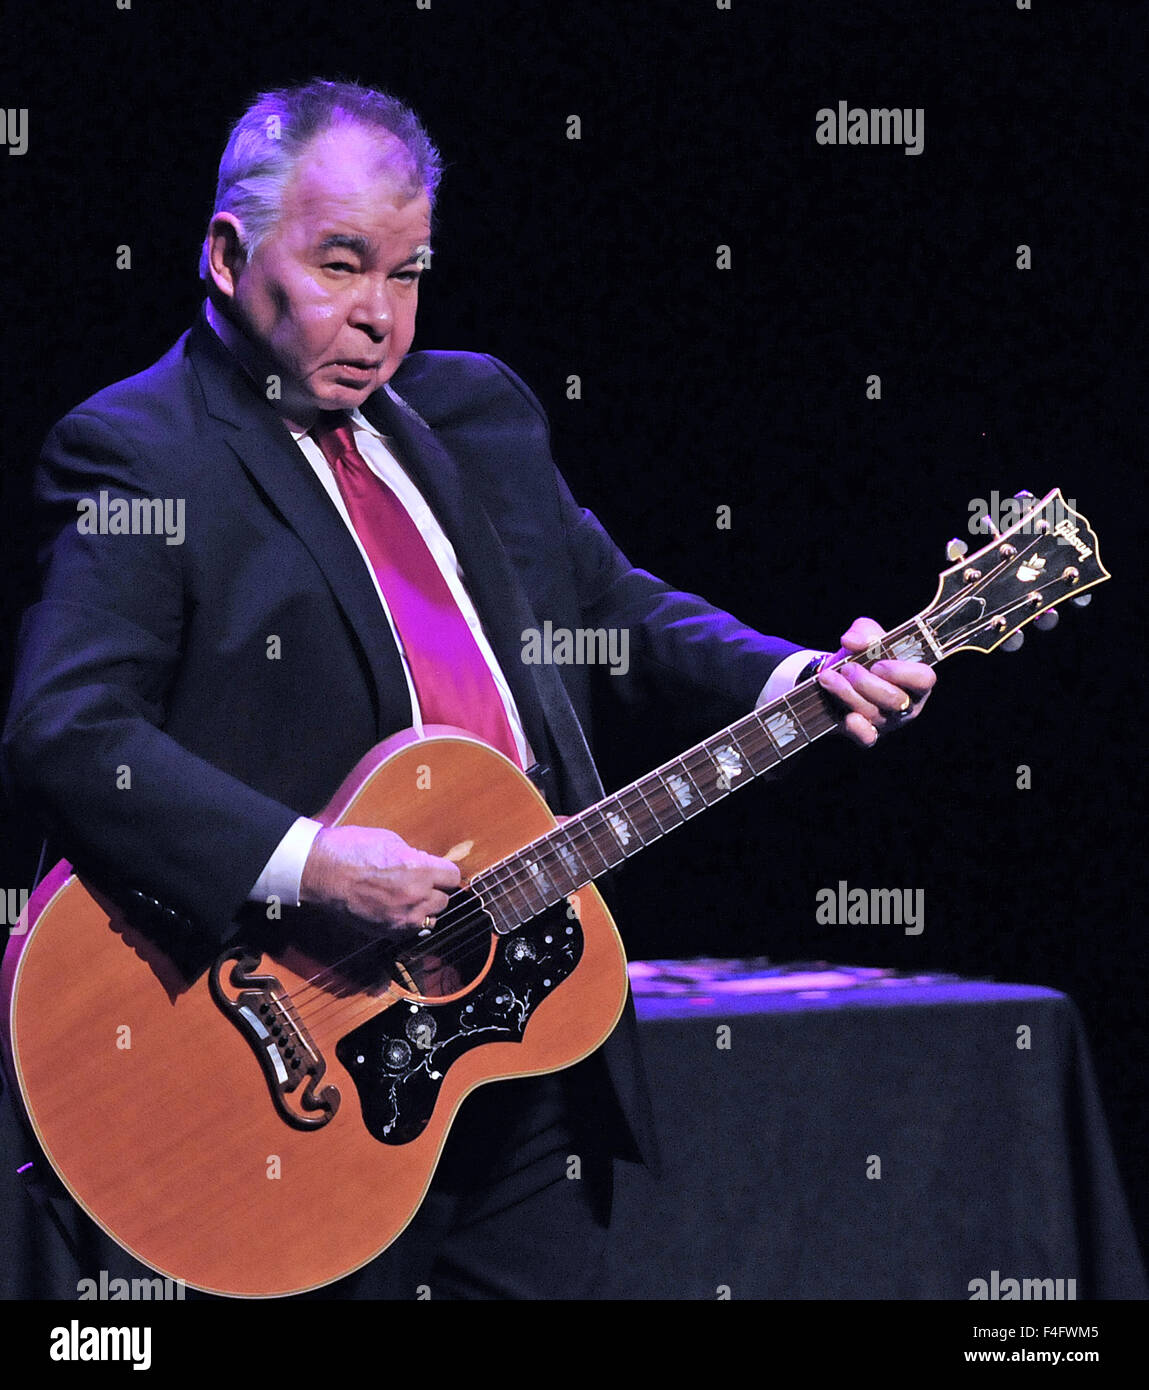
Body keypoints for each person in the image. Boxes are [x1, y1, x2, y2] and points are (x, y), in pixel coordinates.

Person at [1, 78, 935, 1299]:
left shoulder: (472, 414)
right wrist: (309, 862)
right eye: (341, 264)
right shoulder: (137, 450)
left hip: (510, 1032)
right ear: (227, 256)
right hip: (277, 1068)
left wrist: (791, 669)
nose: (380, 316)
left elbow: (608, 608)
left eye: (407, 272)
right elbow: (68, 732)